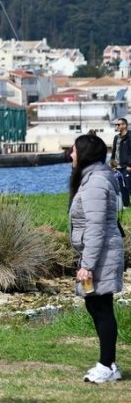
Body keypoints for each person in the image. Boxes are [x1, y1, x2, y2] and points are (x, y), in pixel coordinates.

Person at [69, 132, 124, 384]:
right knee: (96, 305)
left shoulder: (95, 183)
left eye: (74, 150)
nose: (71, 155)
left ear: (85, 154)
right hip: (99, 251)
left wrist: (87, 265)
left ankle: (106, 365)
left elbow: (96, 226)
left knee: (101, 307)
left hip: (101, 253)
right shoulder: (93, 178)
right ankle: (109, 363)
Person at [110, 118, 131, 207]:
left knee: (129, 186)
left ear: (124, 125)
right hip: (117, 167)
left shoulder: (130, 137)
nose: (117, 126)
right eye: (116, 125)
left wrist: (130, 165)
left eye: (118, 124)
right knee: (121, 188)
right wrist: (112, 164)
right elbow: (114, 152)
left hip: (127, 166)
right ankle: (126, 205)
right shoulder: (116, 137)